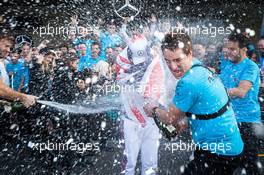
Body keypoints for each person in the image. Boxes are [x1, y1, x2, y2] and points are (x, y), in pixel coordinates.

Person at [144, 31, 244, 175]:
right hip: (227, 147)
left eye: (178, 60)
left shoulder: (189, 82)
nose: (172, 66)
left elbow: (169, 118)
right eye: (167, 61)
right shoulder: (199, 67)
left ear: (190, 53)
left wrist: (153, 109)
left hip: (219, 153)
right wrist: (184, 123)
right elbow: (205, 106)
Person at [220, 32, 262, 175]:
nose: (229, 52)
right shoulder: (226, 63)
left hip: (247, 123)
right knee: (225, 163)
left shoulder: (251, 67)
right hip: (227, 120)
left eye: (233, 49)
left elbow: (241, 91)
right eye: (227, 48)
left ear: (244, 49)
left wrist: (215, 92)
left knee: (250, 165)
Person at [0, 33, 36, 108]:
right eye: (6, 46)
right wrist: (22, 97)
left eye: (10, 47)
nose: (8, 50)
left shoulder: (2, 62)